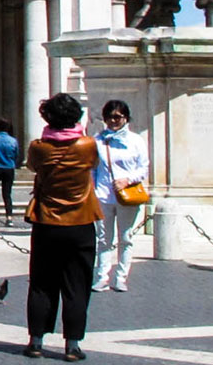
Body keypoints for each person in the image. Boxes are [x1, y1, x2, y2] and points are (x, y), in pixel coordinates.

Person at [23, 93, 101, 362]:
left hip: (47, 221)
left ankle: (35, 340)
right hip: (80, 221)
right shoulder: (87, 145)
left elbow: (33, 166)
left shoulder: (38, 147)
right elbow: (94, 165)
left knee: (42, 283)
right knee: (77, 285)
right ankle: (72, 344)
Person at [91, 99, 148, 292]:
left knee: (126, 238)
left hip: (127, 195)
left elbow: (143, 168)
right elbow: (92, 169)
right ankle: (102, 276)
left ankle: (121, 276)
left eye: (117, 117)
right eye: (109, 117)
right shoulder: (98, 140)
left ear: (126, 117)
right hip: (103, 195)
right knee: (104, 239)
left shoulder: (136, 140)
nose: (113, 121)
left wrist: (128, 180)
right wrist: (92, 191)